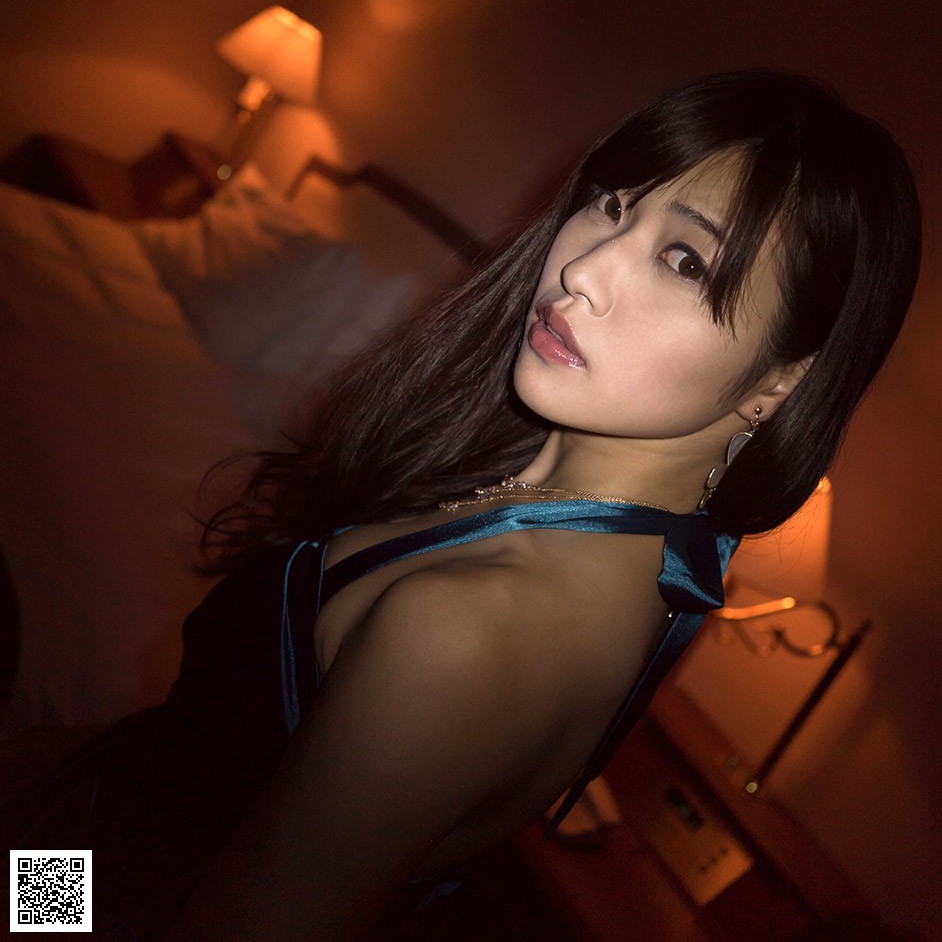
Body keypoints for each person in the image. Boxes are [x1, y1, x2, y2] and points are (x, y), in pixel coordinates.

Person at [3, 69, 922, 941]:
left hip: (78, 899)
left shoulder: (468, 627)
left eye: (684, 260)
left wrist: (33, 873)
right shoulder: (630, 552)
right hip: (77, 835)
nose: (585, 268)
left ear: (781, 379)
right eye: (611, 204)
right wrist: (50, 776)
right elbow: (213, 766)